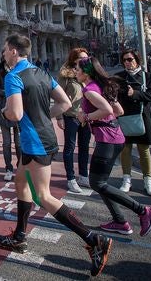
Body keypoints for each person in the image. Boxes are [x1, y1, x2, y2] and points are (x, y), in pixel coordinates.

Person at [0, 35, 113, 277]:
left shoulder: (13, 76)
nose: (3, 54)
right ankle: (19, 236)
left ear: (15, 51)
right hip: (39, 138)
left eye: (5, 50)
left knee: (44, 196)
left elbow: (15, 114)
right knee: (20, 183)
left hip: (35, 143)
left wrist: (5, 111)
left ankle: (93, 239)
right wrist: (44, 116)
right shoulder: (42, 73)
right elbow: (65, 103)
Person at [74, 54, 151, 239]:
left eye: (78, 69)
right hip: (115, 138)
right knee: (100, 183)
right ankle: (119, 221)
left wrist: (86, 117)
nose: (75, 71)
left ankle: (143, 211)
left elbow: (108, 110)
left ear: (86, 72)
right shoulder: (102, 86)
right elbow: (119, 111)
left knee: (97, 182)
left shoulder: (90, 89)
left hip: (107, 140)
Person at [113, 50, 151, 197]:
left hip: (142, 117)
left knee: (144, 150)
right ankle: (126, 179)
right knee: (125, 149)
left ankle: (148, 181)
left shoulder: (147, 76)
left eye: (130, 59)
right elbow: (112, 94)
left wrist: (135, 94)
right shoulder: (119, 77)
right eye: (124, 60)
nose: (127, 62)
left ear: (137, 60)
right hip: (125, 116)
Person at [57, 47, 91, 194]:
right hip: (71, 116)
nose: (84, 60)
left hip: (86, 116)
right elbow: (58, 96)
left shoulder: (89, 72)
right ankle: (71, 178)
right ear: (74, 59)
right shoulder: (65, 74)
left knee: (84, 147)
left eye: (86, 58)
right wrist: (59, 117)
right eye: (81, 58)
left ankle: (83, 175)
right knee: (70, 148)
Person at [0, 55, 20, 182]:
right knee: (6, 143)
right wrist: (5, 91)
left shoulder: (20, 68)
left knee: (19, 143)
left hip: (18, 107)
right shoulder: (0, 69)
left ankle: (21, 167)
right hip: (3, 108)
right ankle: (8, 169)